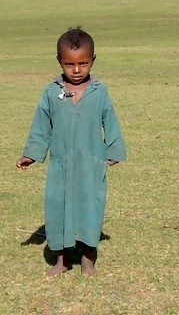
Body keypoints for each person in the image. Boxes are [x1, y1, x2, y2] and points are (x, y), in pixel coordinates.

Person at [17, 27, 127, 276]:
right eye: (69, 64)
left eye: (83, 63)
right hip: (61, 164)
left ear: (93, 60)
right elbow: (41, 126)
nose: (76, 70)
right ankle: (62, 259)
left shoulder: (100, 91)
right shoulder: (51, 92)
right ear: (60, 61)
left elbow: (110, 120)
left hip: (91, 163)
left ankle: (88, 258)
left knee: (90, 208)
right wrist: (31, 154)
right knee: (59, 208)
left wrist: (114, 150)